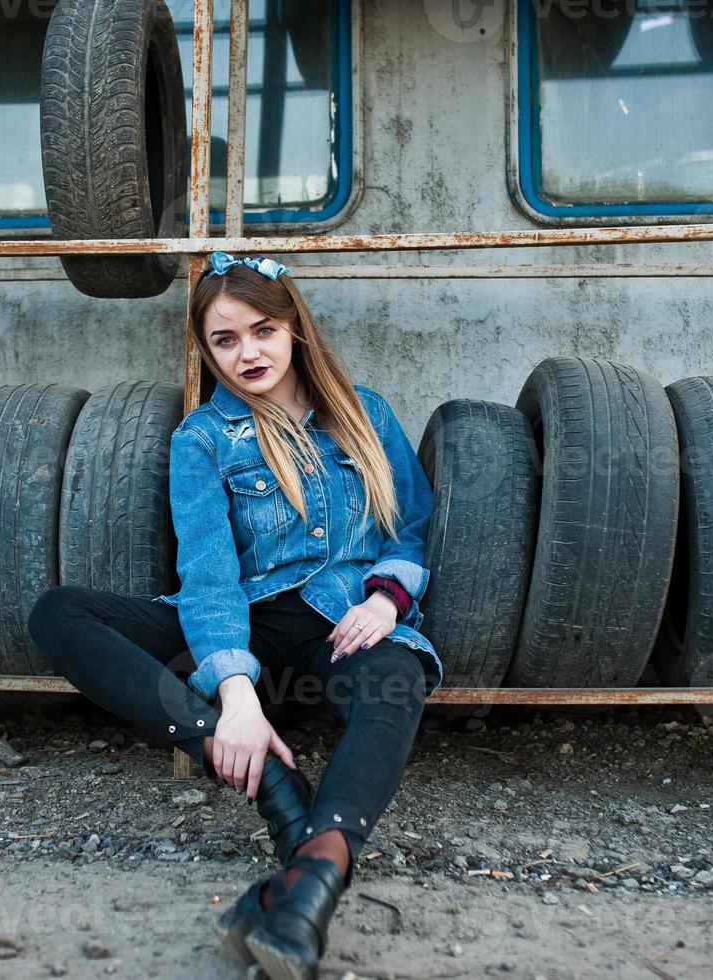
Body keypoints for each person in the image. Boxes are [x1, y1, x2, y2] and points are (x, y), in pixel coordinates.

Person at [27, 250, 442, 980]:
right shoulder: (202, 440)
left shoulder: (365, 413)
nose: (246, 352)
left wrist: (384, 600)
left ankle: (309, 875)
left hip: (340, 627)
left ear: (293, 330)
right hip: (238, 628)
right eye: (224, 339)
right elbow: (209, 575)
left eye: (262, 331)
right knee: (59, 614)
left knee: (397, 682)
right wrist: (235, 696)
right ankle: (282, 800)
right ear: (205, 348)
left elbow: (409, 528)